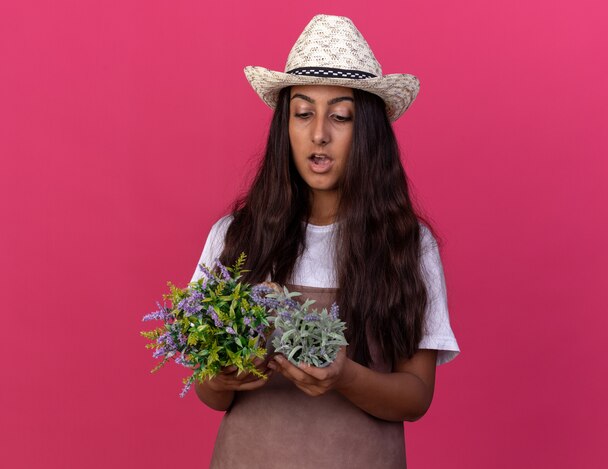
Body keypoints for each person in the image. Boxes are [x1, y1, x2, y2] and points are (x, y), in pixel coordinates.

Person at [190, 14, 460, 469]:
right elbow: (207, 391)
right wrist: (223, 376)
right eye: (303, 113)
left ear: (368, 131)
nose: (319, 133)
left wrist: (345, 376)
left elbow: (415, 397)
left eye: (340, 115)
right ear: (285, 127)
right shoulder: (233, 237)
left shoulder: (409, 245)